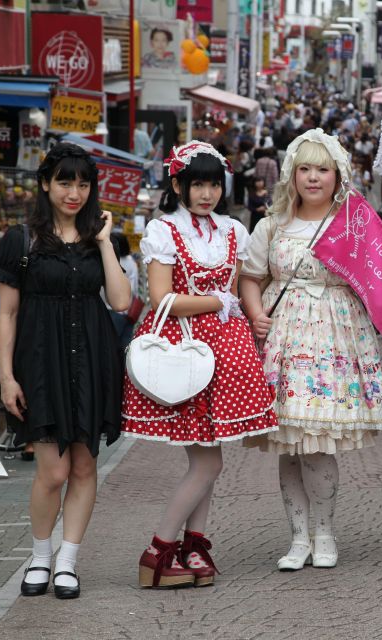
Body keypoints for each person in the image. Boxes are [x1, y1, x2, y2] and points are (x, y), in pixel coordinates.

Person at [121, 142, 278, 588]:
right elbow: (161, 298)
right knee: (208, 464)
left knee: (211, 460)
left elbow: (244, 282)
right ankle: (158, 551)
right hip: (183, 348)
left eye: (213, 184)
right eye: (197, 184)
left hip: (225, 350)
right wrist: (217, 301)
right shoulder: (164, 230)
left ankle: (192, 548)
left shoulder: (232, 230)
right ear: (178, 186)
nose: (206, 193)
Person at [240, 129, 382, 571]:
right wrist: (254, 312)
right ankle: (298, 538)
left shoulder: (352, 222)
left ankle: (324, 533)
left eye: (322, 169)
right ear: (292, 173)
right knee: (289, 443)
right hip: (283, 338)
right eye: (304, 168)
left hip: (335, 339)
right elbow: (250, 276)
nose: (312, 177)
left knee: (318, 444)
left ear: (337, 174)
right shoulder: (272, 224)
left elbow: (381, 278)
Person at [0, 143, 131, 599]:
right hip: (40, 360)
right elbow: (8, 314)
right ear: (47, 183)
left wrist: (105, 243)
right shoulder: (21, 240)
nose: (74, 192)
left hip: (91, 358)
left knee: (85, 464)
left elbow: (121, 301)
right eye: (65, 182)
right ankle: (39, 556)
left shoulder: (98, 238)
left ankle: (67, 562)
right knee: (52, 471)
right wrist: (6, 376)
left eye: (83, 183)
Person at [105, 233, 140, 352]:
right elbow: (134, 286)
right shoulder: (131, 262)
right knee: (124, 346)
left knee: (109, 345)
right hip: (127, 310)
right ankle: (124, 369)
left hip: (110, 308)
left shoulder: (109, 260)